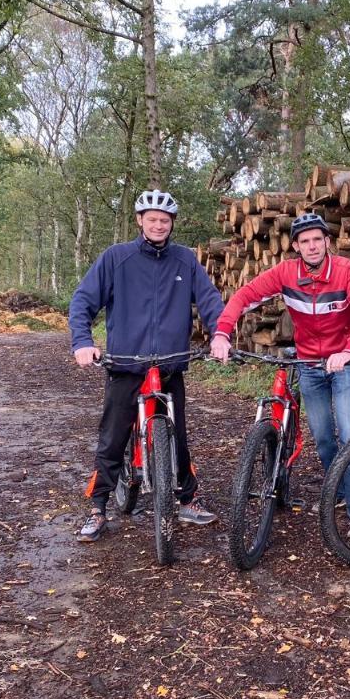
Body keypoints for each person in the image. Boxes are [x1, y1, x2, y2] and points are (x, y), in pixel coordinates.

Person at [69, 189, 225, 543]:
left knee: (178, 435)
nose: (158, 225)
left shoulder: (185, 260)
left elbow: (211, 301)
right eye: (152, 219)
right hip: (126, 364)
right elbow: (82, 301)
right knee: (112, 437)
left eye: (165, 221)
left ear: (172, 224)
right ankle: (98, 507)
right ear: (139, 220)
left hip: (170, 365)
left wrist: (220, 335)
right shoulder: (116, 258)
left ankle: (187, 499)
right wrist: (82, 342)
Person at [209, 212, 350, 539]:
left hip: (344, 363)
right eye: (305, 241)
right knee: (324, 438)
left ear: (327, 242)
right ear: (296, 246)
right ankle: (339, 490)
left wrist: (349, 350)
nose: (312, 246)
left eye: (318, 239)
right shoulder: (286, 273)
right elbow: (245, 296)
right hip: (309, 365)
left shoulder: (345, 271)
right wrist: (221, 333)